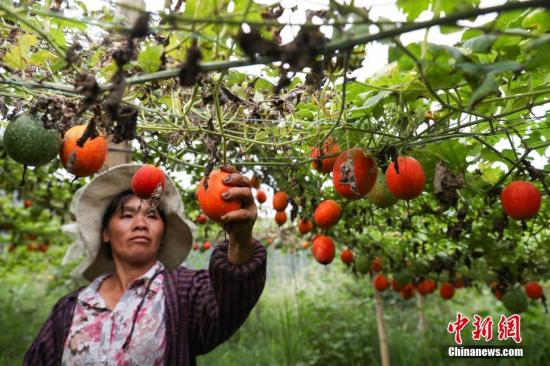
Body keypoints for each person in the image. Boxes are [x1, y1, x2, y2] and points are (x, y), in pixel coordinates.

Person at [24, 164, 267, 365]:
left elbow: (228, 303)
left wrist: (240, 240)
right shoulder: (69, 309)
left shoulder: (185, 292)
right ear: (105, 232)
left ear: (163, 231)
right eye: (127, 215)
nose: (140, 224)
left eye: (151, 215)